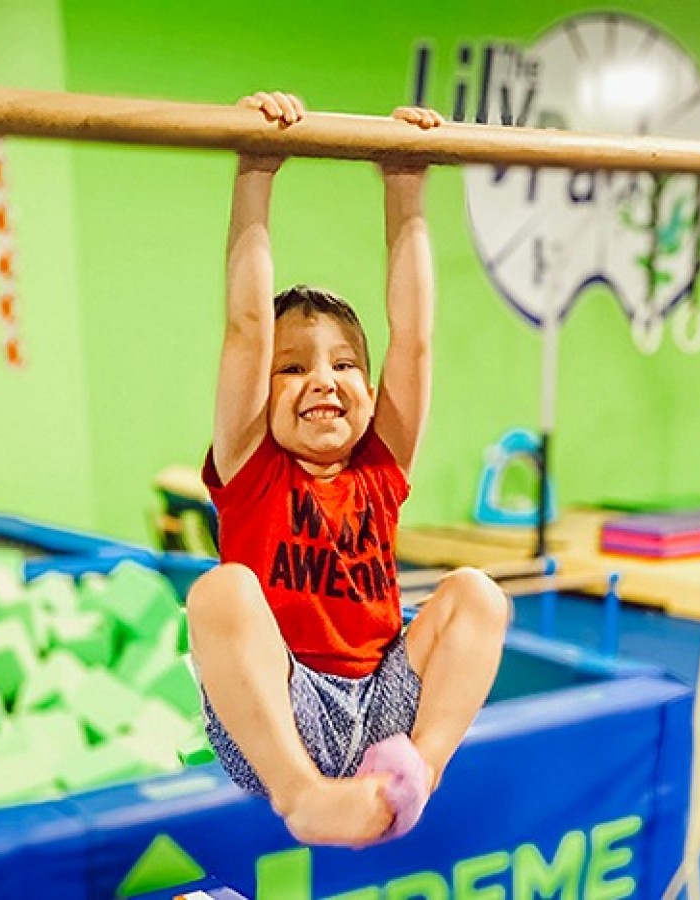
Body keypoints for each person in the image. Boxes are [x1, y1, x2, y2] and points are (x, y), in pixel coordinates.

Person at [186, 91, 510, 848]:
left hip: (383, 704)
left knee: (477, 596)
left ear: (369, 389)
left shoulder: (380, 465)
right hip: (281, 711)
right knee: (222, 589)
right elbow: (242, 329)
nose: (322, 381)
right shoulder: (251, 464)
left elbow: (415, 337)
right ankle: (302, 794)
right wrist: (256, 167)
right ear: (260, 392)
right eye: (290, 368)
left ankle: (417, 771)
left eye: (342, 366)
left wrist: (406, 188)